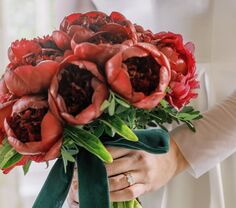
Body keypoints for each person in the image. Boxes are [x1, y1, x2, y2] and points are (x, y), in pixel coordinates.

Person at [54, 0, 236, 207]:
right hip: (129, 160)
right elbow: (72, 69)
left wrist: (175, 156)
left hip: (224, 144)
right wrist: (84, 172)